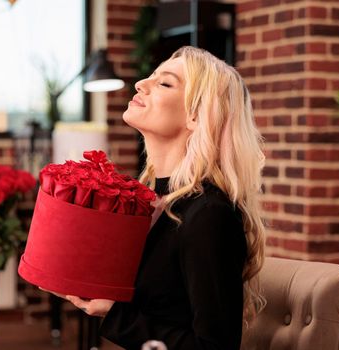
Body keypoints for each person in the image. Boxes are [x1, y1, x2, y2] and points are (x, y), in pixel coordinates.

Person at [50, 46, 267, 349]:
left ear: (196, 115)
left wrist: (115, 314)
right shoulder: (152, 200)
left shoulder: (209, 215)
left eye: (164, 83)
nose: (140, 84)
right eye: (150, 77)